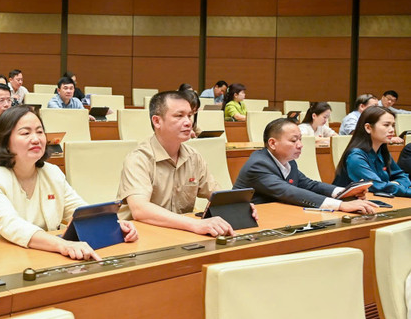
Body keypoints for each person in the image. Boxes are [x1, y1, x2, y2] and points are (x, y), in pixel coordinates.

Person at [0, 105, 138, 260]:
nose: (36, 139)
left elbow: (79, 211)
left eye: (40, 132)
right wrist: (63, 245)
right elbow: (11, 225)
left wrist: (114, 225)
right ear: (5, 141)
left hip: (44, 255)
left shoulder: (52, 172)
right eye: (25, 133)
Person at [117, 91, 246, 237]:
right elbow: (140, 210)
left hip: (180, 234)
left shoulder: (193, 157)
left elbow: (217, 194)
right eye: (179, 116)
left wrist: (239, 206)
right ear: (157, 121)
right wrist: (196, 224)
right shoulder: (138, 159)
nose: (188, 122)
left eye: (189, 115)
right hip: (141, 236)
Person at [233, 118, 376, 213]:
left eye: (300, 139)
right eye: (294, 140)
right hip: (253, 220)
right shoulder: (258, 164)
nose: (300, 145)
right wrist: (341, 205)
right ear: (272, 143)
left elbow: (309, 185)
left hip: (279, 214)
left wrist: (345, 192)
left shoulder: (289, 161)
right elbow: (289, 192)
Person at [334, 106, 411, 197]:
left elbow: (403, 177)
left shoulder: (382, 151)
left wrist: (394, 184)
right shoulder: (355, 157)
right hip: (348, 203)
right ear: (368, 128)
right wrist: (393, 185)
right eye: (386, 125)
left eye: (393, 125)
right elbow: (378, 186)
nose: (392, 130)